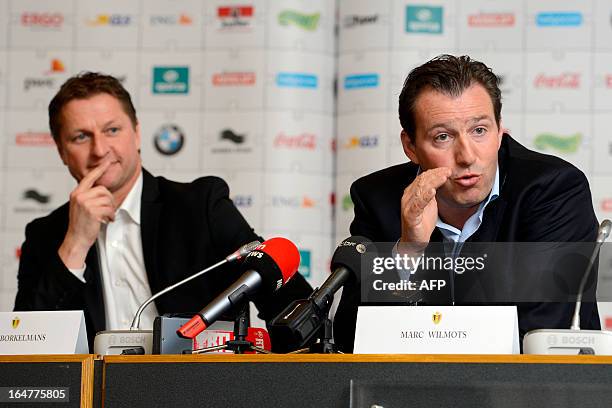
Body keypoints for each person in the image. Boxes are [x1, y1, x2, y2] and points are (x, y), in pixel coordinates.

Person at [14, 72, 312, 349]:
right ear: (61, 151)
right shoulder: (46, 235)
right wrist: (75, 244)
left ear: (137, 133)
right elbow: (26, 348)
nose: (99, 150)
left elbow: (296, 308)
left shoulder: (200, 206)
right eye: (81, 137)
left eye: (112, 130)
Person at [333, 54, 600, 352]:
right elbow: (352, 338)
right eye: (443, 137)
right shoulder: (378, 199)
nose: (467, 156)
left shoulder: (554, 190)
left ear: (500, 131)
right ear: (410, 146)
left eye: (479, 130)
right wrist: (408, 250)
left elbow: (541, 335)